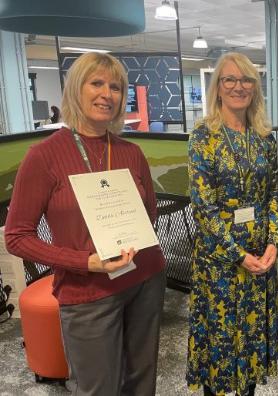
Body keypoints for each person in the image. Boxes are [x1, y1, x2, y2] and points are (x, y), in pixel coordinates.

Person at [5, 52, 166, 395]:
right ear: (76, 89)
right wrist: (85, 261)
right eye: (97, 83)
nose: (107, 93)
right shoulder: (43, 156)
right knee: (97, 388)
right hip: (88, 291)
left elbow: (148, 214)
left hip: (144, 279)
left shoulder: (130, 152)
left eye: (116, 87)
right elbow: (17, 237)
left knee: (142, 382)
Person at [186, 52, 278, 396]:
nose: (238, 86)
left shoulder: (264, 136)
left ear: (254, 88)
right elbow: (204, 207)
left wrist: (275, 240)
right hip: (220, 262)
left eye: (245, 80)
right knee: (221, 346)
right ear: (217, 88)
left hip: (260, 256)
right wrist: (237, 254)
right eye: (229, 79)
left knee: (250, 345)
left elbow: (275, 191)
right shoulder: (203, 137)